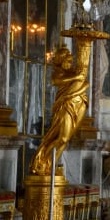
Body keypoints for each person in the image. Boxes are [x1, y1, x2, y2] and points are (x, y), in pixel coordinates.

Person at [30, 46, 89, 175]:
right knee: (62, 138)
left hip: (79, 105)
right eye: (67, 61)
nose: (69, 64)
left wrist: (75, 91)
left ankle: (51, 165)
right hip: (66, 106)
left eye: (70, 61)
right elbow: (56, 81)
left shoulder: (74, 71)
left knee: (66, 139)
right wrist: (75, 80)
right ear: (61, 61)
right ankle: (43, 158)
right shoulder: (58, 72)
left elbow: (86, 83)